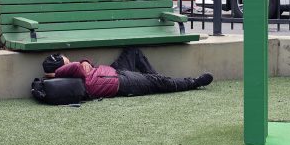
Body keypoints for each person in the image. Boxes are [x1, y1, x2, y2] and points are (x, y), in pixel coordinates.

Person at [42, 47, 213, 100]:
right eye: (65, 58)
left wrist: (86, 61)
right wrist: (80, 63)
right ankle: (194, 82)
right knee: (159, 82)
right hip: (120, 82)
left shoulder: (66, 71)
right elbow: (77, 68)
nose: (68, 58)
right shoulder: (62, 72)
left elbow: (84, 67)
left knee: (133, 51)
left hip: (113, 71)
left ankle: (156, 79)